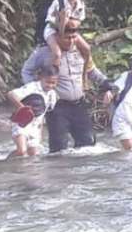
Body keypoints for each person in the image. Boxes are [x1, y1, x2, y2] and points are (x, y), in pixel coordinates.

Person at [24, 17, 112, 153]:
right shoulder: (44, 53)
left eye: (73, 37)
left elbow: (91, 71)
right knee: (59, 148)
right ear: (57, 37)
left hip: (79, 104)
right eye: (67, 38)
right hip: (57, 107)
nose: (71, 41)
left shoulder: (81, 51)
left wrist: (106, 83)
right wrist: (36, 92)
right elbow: (26, 71)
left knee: (88, 145)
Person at [6, 66, 59, 158]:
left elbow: (43, 114)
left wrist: (40, 133)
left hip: (35, 127)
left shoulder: (52, 94)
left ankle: (26, 172)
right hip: (22, 123)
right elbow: (11, 94)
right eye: (47, 82)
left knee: (34, 154)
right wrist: (23, 108)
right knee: (22, 151)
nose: (50, 85)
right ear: (41, 78)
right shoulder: (32, 87)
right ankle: (6, 162)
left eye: (53, 83)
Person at [44, 0, 91, 67]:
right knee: (57, 54)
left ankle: (84, 75)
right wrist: (62, 21)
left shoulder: (80, 4)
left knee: (87, 49)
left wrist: (70, 23)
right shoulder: (58, 3)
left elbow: (79, 21)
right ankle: (54, 77)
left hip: (70, 31)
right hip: (53, 31)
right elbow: (53, 24)